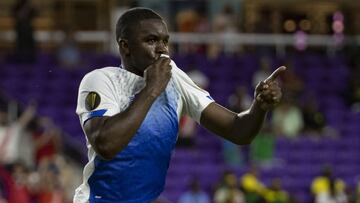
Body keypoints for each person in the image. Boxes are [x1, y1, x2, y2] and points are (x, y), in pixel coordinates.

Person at [74, 7, 286, 203]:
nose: (162, 50)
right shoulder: (100, 80)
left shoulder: (174, 78)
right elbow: (106, 145)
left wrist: (259, 106)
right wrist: (151, 89)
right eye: (151, 40)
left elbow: (239, 131)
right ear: (125, 46)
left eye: (165, 41)